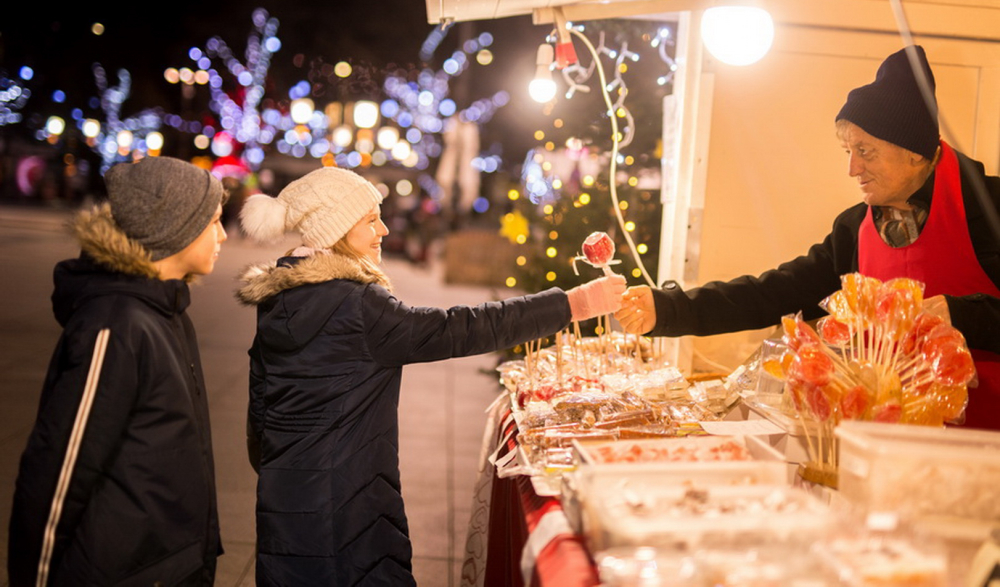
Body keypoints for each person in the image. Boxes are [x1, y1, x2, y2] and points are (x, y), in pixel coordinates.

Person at [236, 166, 625, 586]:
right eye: (370, 220)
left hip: (285, 502)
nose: (384, 229)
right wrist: (573, 304)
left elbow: (260, 415)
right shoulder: (359, 307)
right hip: (349, 509)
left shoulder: (280, 299)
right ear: (337, 230)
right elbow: (462, 327)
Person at [616, 46, 1000, 431]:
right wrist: (668, 309)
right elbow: (773, 294)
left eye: (865, 151)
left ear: (915, 153)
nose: (852, 168)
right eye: (848, 151)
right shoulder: (854, 230)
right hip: (888, 443)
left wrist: (961, 313)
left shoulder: (991, 209)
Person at [9, 156, 227, 586]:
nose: (222, 235)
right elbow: (60, 471)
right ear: (174, 226)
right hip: (120, 569)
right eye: (214, 221)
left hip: (165, 563)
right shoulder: (117, 324)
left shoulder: (167, 312)